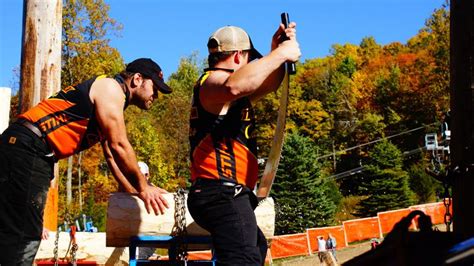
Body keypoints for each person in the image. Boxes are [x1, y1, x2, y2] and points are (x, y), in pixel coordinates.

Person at [0, 58, 171, 265]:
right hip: (27, 149)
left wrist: (133, 191)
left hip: (29, 150)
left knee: (16, 230)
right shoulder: (111, 89)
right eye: (155, 88)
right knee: (23, 234)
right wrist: (144, 187)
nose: (156, 96)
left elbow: (110, 155)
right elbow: (119, 145)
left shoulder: (113, 100)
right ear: (137, 79)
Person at [187, 22, 300, 265]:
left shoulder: (232, 95)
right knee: (244, 260)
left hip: (226, 194)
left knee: (255, 249)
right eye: (249, 59)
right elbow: (235, 84)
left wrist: (277, 52)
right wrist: (280, 54)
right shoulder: (213, 83)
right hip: (222, 192)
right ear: (239, 56)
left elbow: (268, 84)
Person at [136, 161, 158, 260]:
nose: (137, 179)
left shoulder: (153, 191)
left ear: (147, 175)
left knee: (139, 255)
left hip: (149, 235)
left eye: (140, 175)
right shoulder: (126, 188)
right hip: (130, 233)